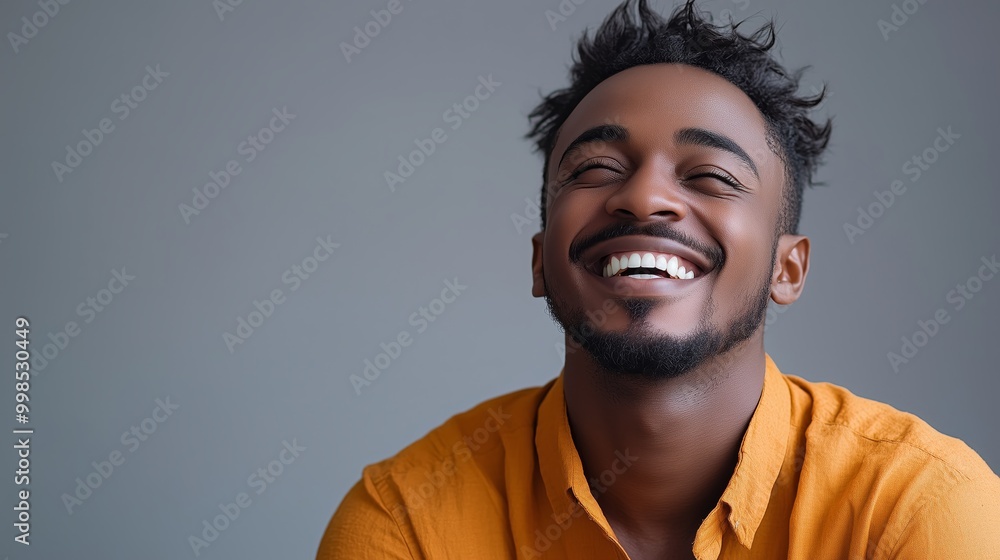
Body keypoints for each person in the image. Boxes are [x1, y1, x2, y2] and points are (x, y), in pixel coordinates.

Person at [317, 1, 1000, 558]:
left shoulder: (920, 510)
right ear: (539, 258)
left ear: (786, 271)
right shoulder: (408, 524)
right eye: (595, 170)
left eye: (710, 176)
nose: (644, 199)